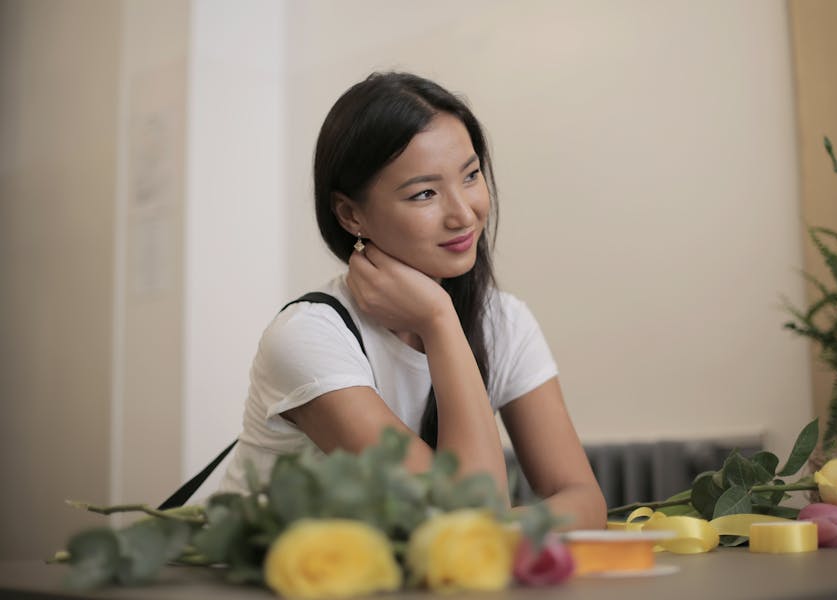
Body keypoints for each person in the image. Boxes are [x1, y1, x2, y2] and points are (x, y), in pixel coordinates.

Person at [219, 72, 607, 530]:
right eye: (424, 193)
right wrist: (440, 319)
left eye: (470, 175)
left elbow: (585, 503)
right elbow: (466, 515)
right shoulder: (308, 338)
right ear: (350, 214)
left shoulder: (504, 321)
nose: (463, 213)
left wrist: (499, 525)